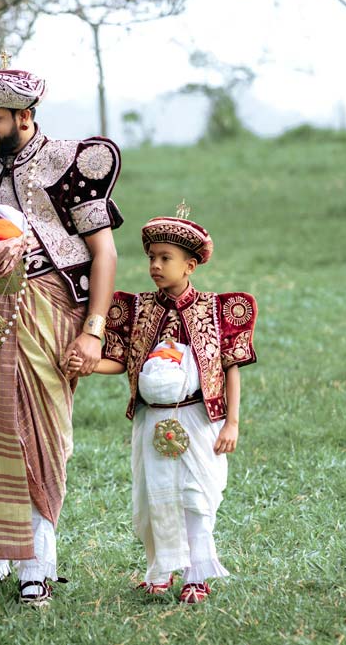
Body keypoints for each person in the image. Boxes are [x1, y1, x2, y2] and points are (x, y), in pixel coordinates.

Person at [0, 62, 122, 606]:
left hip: (47, 306)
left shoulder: (68, 162)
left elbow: (104, 252)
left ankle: (38, 562)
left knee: (42, 434)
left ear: (25, 116)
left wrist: (93, 331)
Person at [68, 207, 257, 604]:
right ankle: (159, 571)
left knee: (195, 497)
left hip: (197, 418)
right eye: (152, 257)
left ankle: (196, 575)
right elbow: (120, 362)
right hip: (150, 418)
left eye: (165, 258)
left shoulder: (215, 310)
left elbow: (230, 367)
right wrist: (88, 364)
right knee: (154, 496)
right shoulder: (137, 310)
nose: (155, 265)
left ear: (190, 266)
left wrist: (232, 423)